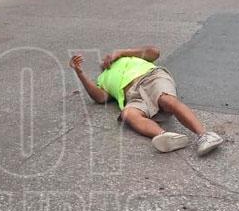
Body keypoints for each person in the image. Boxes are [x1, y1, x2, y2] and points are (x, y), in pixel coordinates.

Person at [70, 46, 224, 156]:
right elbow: (100, 98)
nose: (104, 60)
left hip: (151, 78)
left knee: (166, 100)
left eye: (106, 57)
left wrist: (121, 52)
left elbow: (155, 52)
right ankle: (167, 137)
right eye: (102, 62)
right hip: (132, 96)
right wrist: (80, 73)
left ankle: (205, 135)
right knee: (128, 114)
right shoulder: (102, 79)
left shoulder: (127, 57)